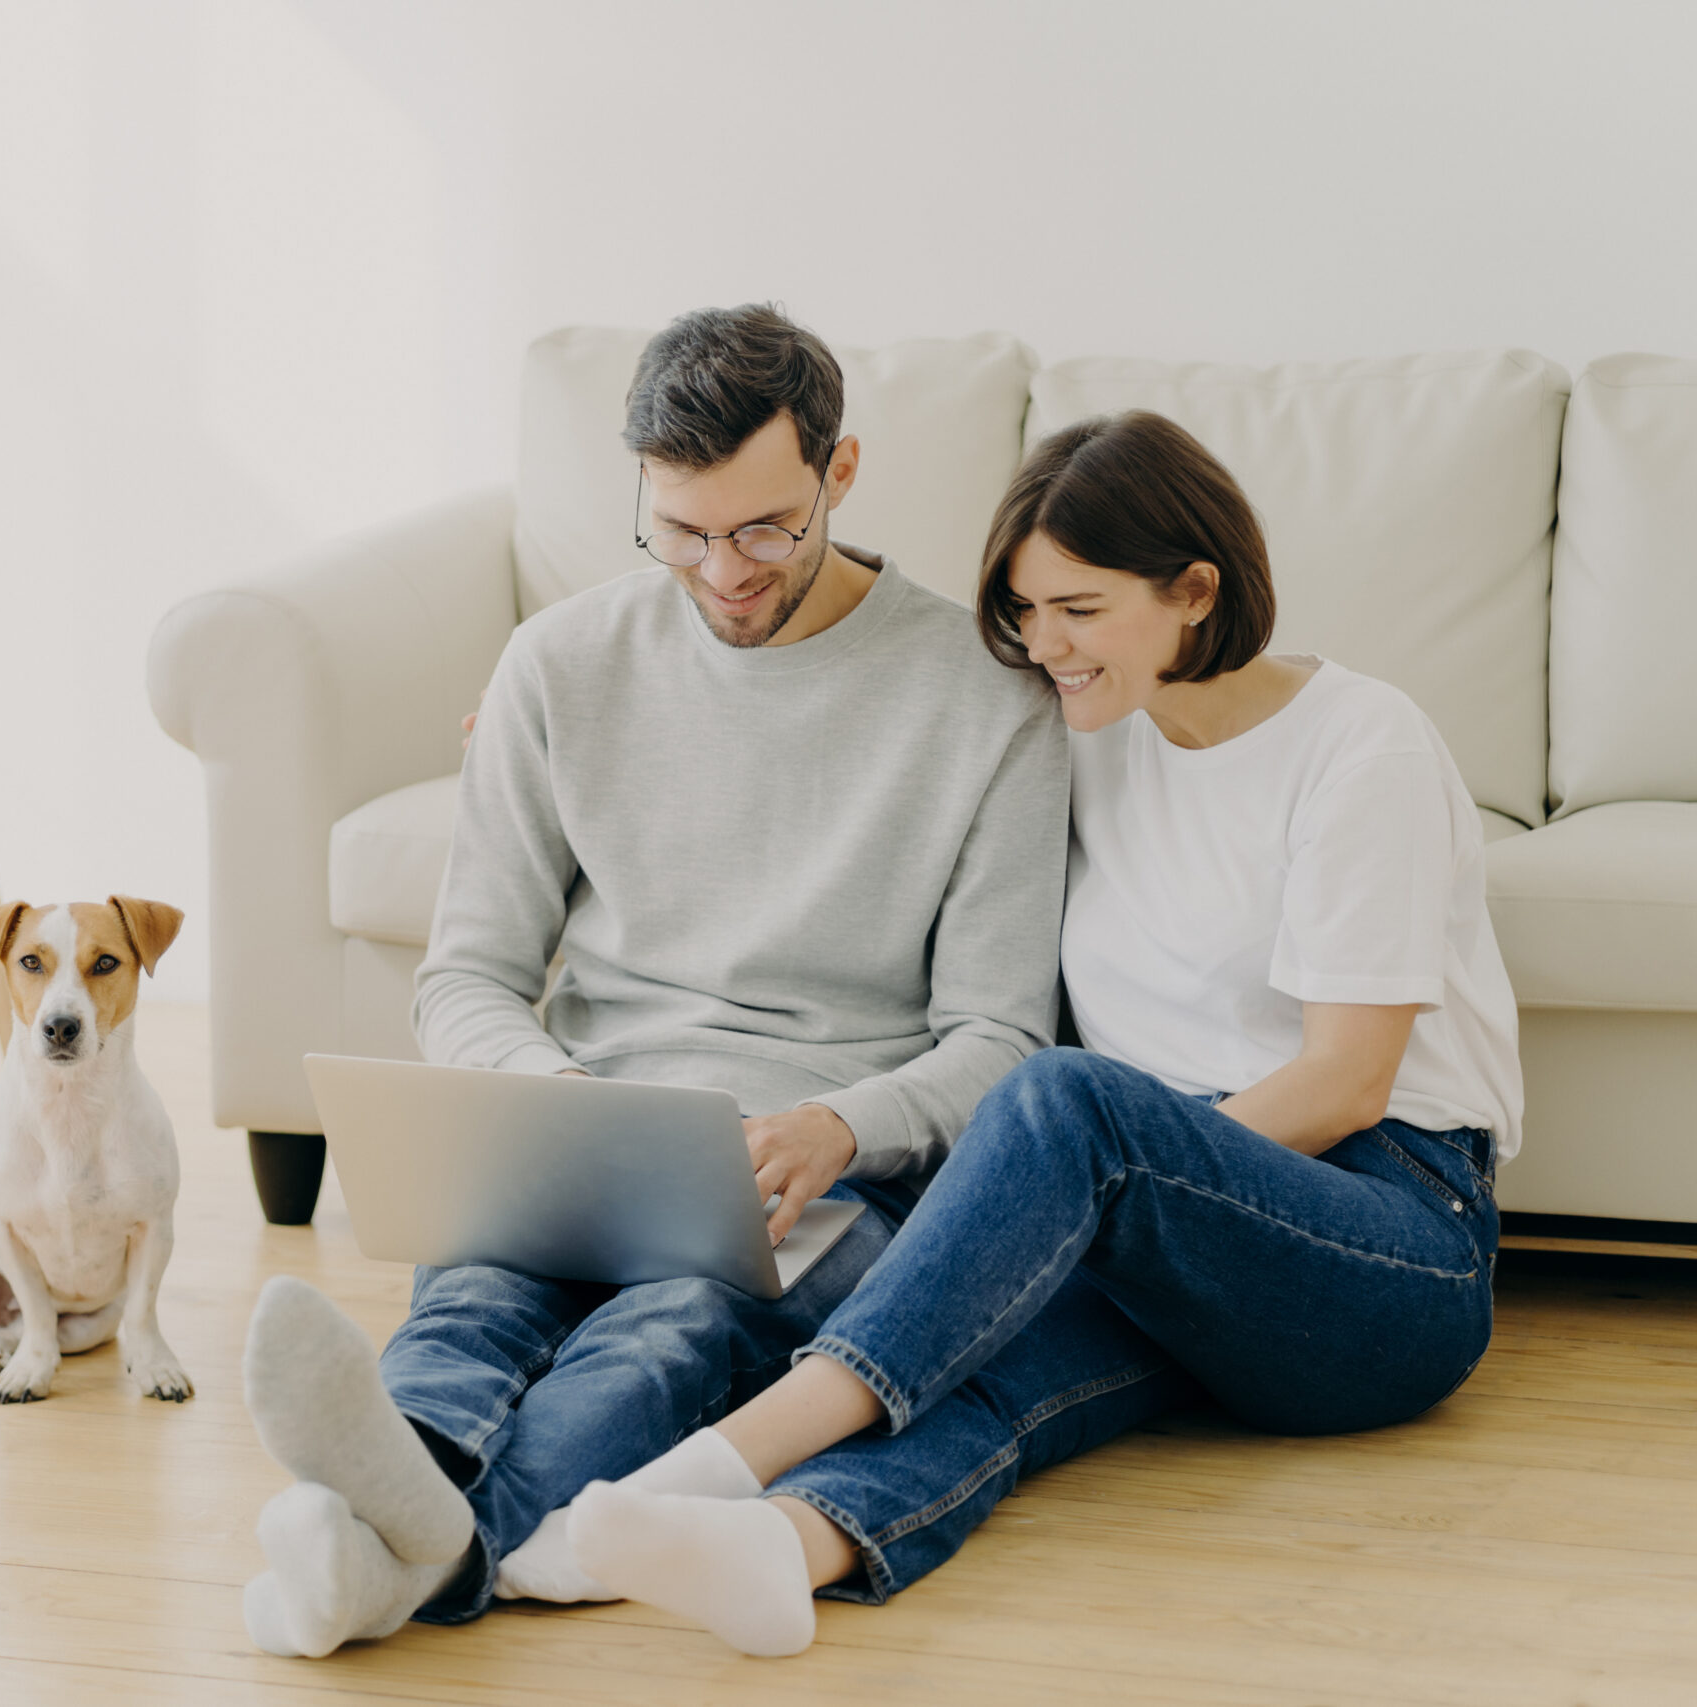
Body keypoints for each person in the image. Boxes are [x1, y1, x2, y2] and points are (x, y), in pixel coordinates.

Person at [552, 409, 1523, 1656]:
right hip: (1170, 1216)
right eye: (1022, 610)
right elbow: (844, 738)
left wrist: (1104, 1183)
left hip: (1391, 1241)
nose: (1041, 647)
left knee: (1069, 1104)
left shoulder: (1358, 744)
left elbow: (1343, 1082)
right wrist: (566, 723)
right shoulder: (1084, 733)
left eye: (1077, 609)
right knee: (987, 1371)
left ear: (1192, 591)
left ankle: (716, 1460)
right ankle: (784, 1552)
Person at [237, 303, 1073, 1657]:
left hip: (817, 1160)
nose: (725, 570)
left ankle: (393, 1544)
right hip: (585, 1117)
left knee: (669, 1328)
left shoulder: (986, 695)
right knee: (473, 1296)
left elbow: (1002, 1035)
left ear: (840, 475)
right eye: (681, 531)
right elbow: (468, 977)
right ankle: (411, 1503)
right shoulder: (560, 662)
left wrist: (841, 1124)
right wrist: (549, 1090)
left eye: (764, 529)